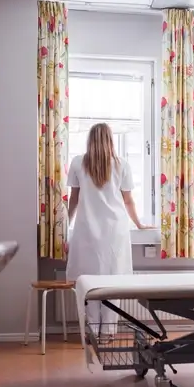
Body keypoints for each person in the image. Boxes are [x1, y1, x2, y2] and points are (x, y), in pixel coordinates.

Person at [66, 123, 152, 342]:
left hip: (87, 230)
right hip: (115, 230)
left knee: (90, 282)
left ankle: (93, 330)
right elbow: (128, 200)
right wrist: (139, 224)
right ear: (110, 139)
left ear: (90, 139)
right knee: (113, 282)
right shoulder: (121, 164)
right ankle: (108, 332)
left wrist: (67, 221)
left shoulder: (78, 163)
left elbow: (74, 198)